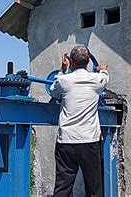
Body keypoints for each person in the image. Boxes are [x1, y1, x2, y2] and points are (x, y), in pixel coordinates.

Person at [49, 45, 109, 197]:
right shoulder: (97, 80)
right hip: (90, 140)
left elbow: (53, 92)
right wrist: (102, 68)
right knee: (94, 187)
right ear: (88, 62)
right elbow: (105, 76)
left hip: (66, 141)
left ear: (71, 62)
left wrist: (62, 70)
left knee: (63, 187)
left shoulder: (63, 80)